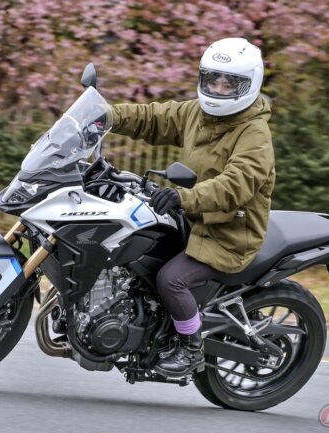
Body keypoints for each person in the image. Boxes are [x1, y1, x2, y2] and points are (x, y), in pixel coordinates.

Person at [107, 38, 275, 377]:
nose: (218, 89)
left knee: (171, 280)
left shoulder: (254, 135)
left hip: (227, 231)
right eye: (213, 80)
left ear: (249, 84)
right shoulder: (197, 114)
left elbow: (234, 186)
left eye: (230, 84)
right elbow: (154, 118)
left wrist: (182, 198)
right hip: (191, 218)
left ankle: (190, 348)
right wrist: (107, 115)